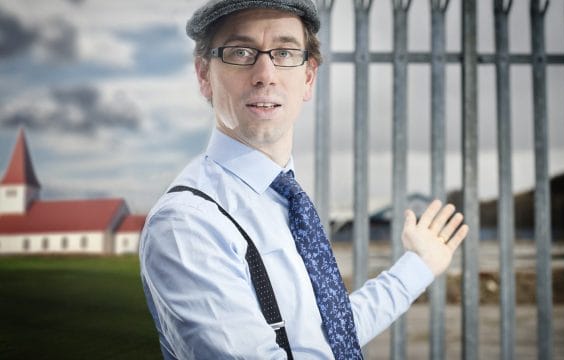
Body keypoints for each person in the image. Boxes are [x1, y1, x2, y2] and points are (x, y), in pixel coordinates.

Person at [139, 1, 469, 359]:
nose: (265, 73)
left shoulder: (284, 199)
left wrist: (418, 266)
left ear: (308, 77)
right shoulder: (187, 223)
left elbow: (326, 335)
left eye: (284, 52)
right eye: (240, 52)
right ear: (204, 75)